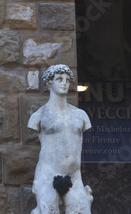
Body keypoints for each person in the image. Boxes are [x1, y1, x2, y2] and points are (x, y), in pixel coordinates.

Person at [28, 65, 93, 214]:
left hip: (74, 176)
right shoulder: (39, 116)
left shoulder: (80, 115)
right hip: (48, 174)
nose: (64, 83)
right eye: (59, 79)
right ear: (50, 83)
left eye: (67, 80)